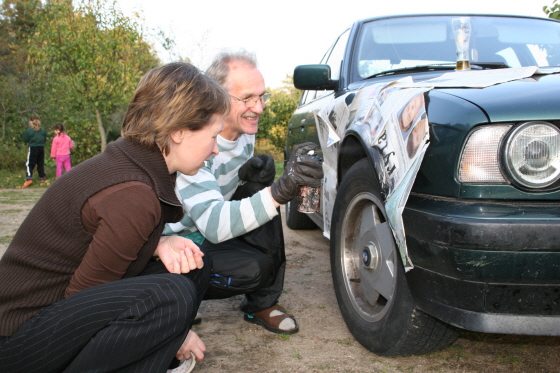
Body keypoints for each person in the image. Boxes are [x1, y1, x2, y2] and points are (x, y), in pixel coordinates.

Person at [0, 61, 230, 373]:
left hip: (49, 317)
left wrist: (157, 243)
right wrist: (171, 332)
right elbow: (84, 299)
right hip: (17, 337)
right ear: (178, 131)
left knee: (193, 266)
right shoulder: (133, 192)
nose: (216, 149)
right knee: (170, 296)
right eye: (213, 135)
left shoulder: (135, 164)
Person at [163, 50, 323, 335]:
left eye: (262, 96)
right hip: (175, 242)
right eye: (247, 98)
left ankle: (261, 303)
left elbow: (237, 189)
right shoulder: (194, 145)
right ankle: (175, 297)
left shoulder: (246, 132)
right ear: (216, 97)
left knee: (259, 187)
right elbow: (213, 225)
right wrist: (280, 190)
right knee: (253, 268)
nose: (259, 108)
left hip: (209, 225)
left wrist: (256, 178)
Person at [22, 114, 47, 188]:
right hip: (41, 147)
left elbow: (25, 139)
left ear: (31, 122)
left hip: (33, 147)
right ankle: (42, 177)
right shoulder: (42, 130)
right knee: (40, 163)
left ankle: (29, 178)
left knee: (30, 163)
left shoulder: (30, 130)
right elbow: (45, 139)